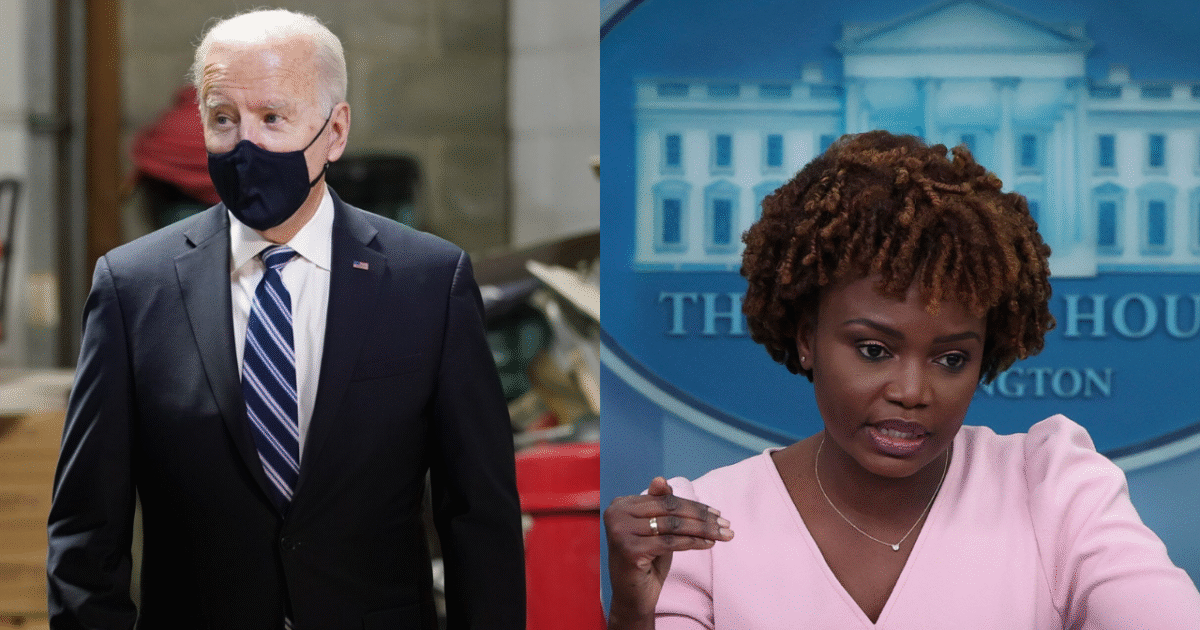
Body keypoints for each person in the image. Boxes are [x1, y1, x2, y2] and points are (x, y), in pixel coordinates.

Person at [604, 131, 1200, 628]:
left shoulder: (1052, 489)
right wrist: (633, 615)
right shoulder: (703, 524)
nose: (912, 392)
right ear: (807, 338)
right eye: (874, 350)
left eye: (951, 359)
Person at [46, 9, 524, 629]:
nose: (245, 145)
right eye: (224, 119)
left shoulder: (428, 283)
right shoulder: (133, 288)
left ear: (335, 131)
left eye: (273, 118)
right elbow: (86, 529)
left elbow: (479, 517)